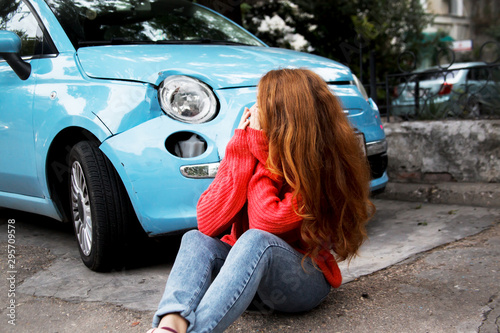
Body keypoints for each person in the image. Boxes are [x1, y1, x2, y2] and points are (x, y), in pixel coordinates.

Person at [147, 68, 375, 333]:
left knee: (258, 241)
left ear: (284, 116)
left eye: (261, 102)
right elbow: (207, 223)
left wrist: (265, 157)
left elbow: (266, 224)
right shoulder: (250, 146)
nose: (254, 109)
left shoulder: (317, 170)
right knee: (194, 239)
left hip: (302, 280)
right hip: (247, 283)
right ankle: (169, 326)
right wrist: (239, 154)